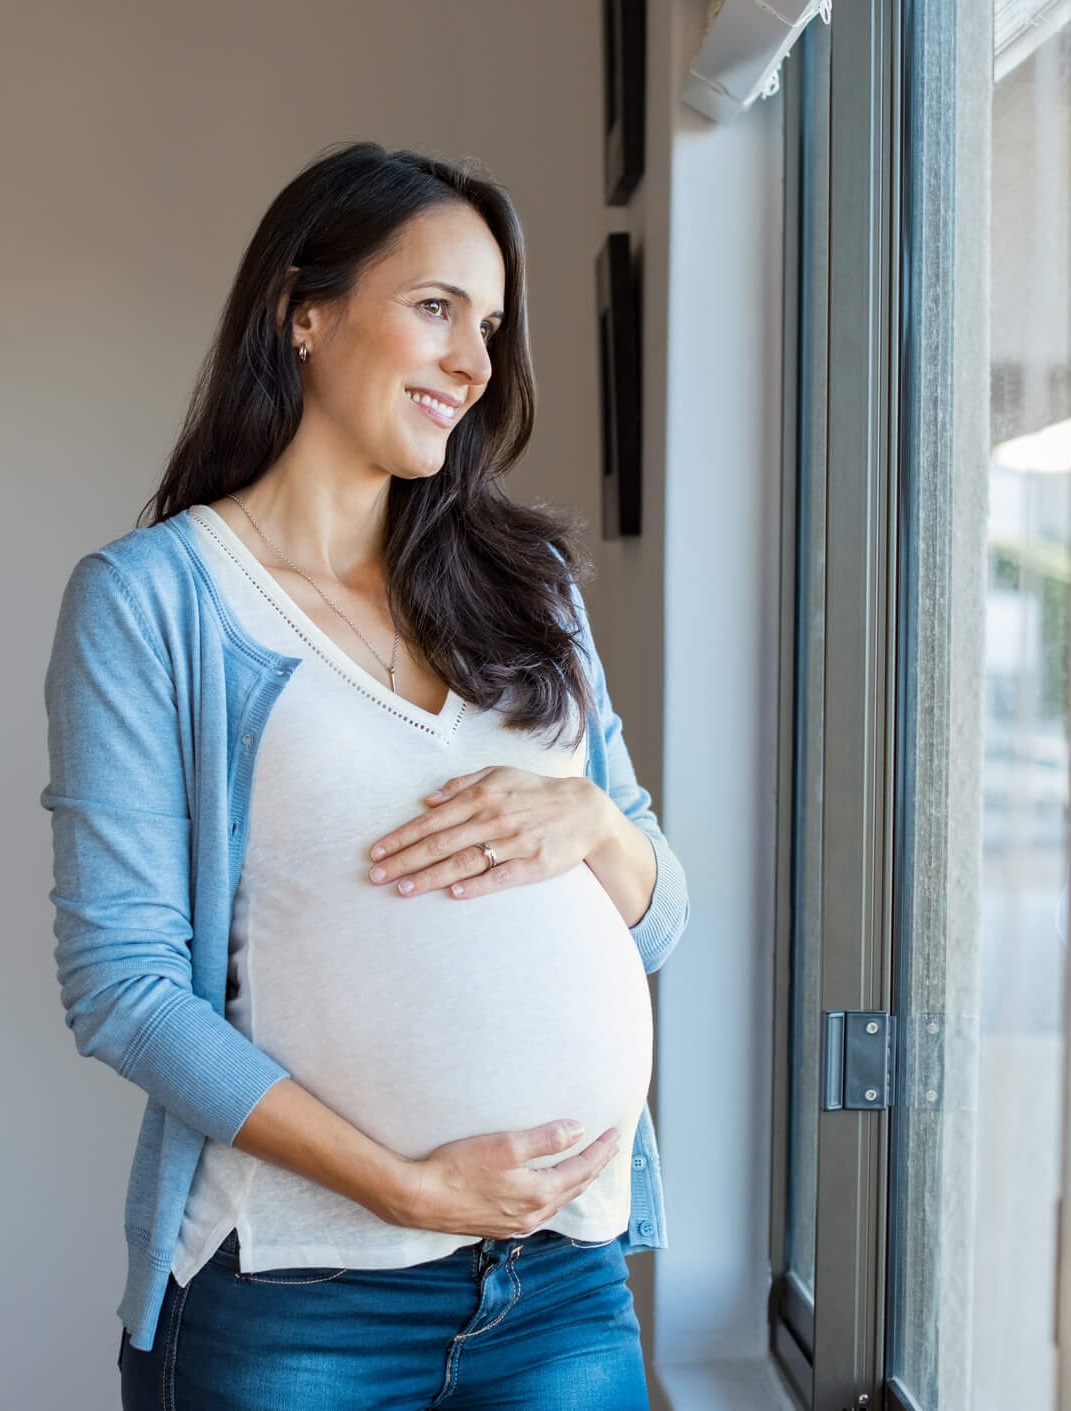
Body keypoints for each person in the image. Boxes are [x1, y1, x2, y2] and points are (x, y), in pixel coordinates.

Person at [41, 141, 688, 1411]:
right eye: (436, 307)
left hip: (561, 1280)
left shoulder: (531, 590)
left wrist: (594, 826)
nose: (475, 364)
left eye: (488, 326)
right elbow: (123, 987)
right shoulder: (157, 600)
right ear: (305, 312)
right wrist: (406, 1187)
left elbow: (659, 919)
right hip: (300, 1295)